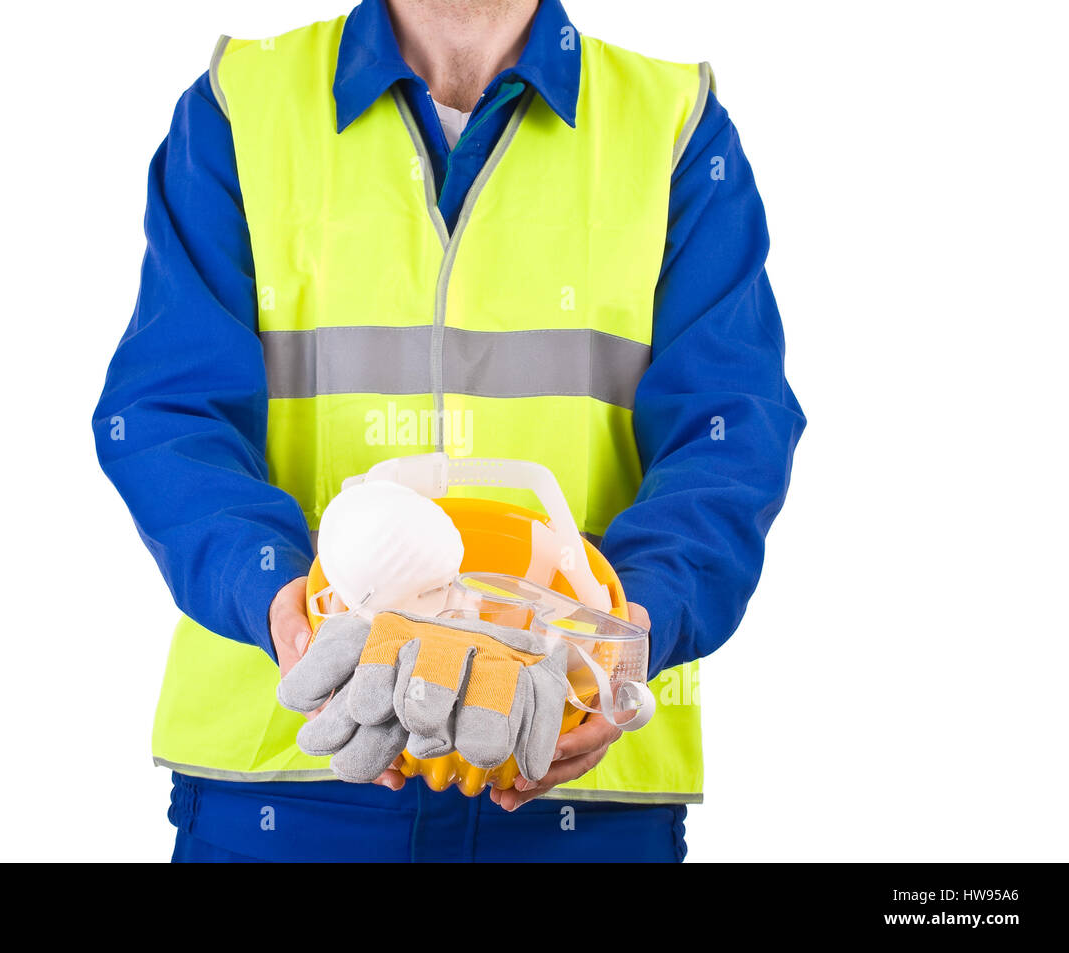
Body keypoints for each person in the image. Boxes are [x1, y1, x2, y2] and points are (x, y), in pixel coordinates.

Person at [93, 0, 804, 863]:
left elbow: (732, 434)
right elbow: (168, 414)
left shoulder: (675, 126)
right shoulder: (240, 105)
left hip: (573, 785)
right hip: (293, 781)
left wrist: (617, 642)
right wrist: (282, 602)